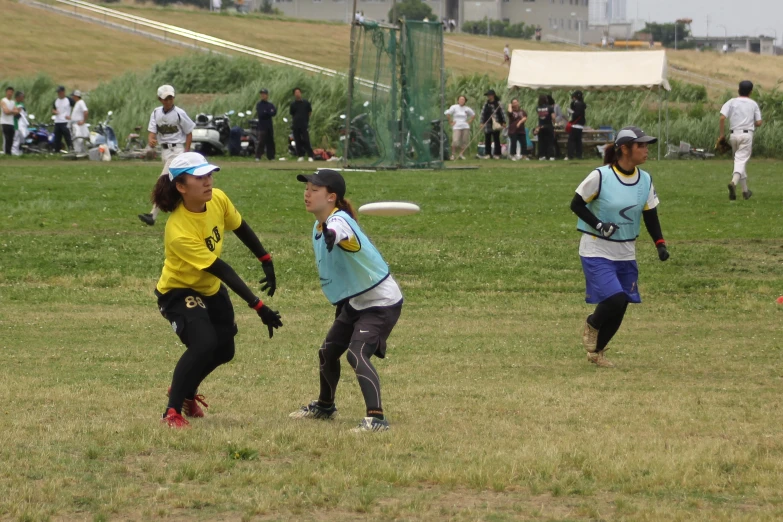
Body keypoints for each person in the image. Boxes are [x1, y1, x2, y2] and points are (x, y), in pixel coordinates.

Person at [151, 152, 283, 428]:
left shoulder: (218, 199)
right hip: (178, 291)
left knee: (225, 350)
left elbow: (240, 227)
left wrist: (265, 259)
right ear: (181, 187)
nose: (208, 182)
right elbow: (221, 269)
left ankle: (186, 393)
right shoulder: (178, 229)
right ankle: (172, 411)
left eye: (210, 175)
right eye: (200, 177)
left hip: (210, 289)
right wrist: (258, 306)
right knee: (204, 343)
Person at [290, 169, 403, 432]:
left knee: (356, 354)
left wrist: (333, 235)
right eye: (306, 188)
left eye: (314, 189)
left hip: (381, 301)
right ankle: (325, 406)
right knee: (328, 352)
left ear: (331, 197)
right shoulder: (318, 226)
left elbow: (340, 232)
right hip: (356, 301)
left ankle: (376, 419)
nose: (307, 193)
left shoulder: (339, 221)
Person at [570, 126, 669, 368]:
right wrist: (599, 224)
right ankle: (592, 324)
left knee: (622, 303)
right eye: (641, 145)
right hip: (596, 248)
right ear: (624, 149)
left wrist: (660, 243)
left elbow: (650, 214)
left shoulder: (645, 180)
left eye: (646, 145)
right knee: (614, 299)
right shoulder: (600, 176)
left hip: (626, 251)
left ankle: (597, 352)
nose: (646, 150)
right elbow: (576, 204)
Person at [138, 85, 195, 226]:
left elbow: (189, 132)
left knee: (163, 181)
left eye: (170, 97)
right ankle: (187, 212)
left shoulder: (179, 113)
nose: (168, 101)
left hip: (177, 151)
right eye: (165, 98)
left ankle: (152, 215)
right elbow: (152, 130)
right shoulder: (156, 113)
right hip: (165, 151)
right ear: (160, 99)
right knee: (177, 185)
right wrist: (151, 139)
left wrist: (186, 153)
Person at [719, 80, 762, 201]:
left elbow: (722, 118)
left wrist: (722, 135)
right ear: (751, 92)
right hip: (746, 135)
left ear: (738, 90)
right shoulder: (753, 104)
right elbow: (759, 122)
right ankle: (733, 182)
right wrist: (750, 122)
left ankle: (745, 191)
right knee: (741, 160)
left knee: (739, 161)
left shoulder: (731, 102)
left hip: (734, 134)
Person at [444, 95, 475, 160]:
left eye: (463, 100)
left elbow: (473, 115)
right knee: (455, 140)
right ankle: (453, 154)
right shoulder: (454, 107)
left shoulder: (467, 108)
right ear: (458, 100)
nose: (461, 101)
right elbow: (448, 113)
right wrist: (450, 122)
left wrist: (469, 122)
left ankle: (461, 154)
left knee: (464, 141)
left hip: (465, 126)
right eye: (460, 99)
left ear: (465, 101)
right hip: (456, 126)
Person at [289, 87, 314, 162]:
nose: (297, 94)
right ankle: (300, 155)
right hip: (296, 125)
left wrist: (305, 120)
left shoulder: (306, 103)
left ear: (301, 93)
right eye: (296, 93)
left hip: (304, 124)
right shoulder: (293, 104)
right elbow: (292, 114)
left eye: (298, 92)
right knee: (297, 140)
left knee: (306, 140)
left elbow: (309, 112)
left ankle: (310, 155)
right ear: (294, 94)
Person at [480, 89, 505, 159]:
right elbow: (482, 114)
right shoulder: (486, 104)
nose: (489, 97)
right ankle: (488, 153)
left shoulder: (498, 103)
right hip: (487, 123)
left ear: (493, 95)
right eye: (488, 95)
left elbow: (503, 113)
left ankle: (497, 153)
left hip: (496, 123)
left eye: (490, 95)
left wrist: (503, 122)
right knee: (487, 139)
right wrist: (482, 122)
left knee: (496, 139)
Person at [254, 88, 277, 162]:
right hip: (262, 126)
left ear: (267, 95)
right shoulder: (259, 104)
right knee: (261, 141)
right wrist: (268, 112)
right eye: (261, 94)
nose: (263, 95)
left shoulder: (270, 104)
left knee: (270, 142)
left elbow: (274, 112)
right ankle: (258, 156)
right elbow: (261, 114)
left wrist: (267, 112)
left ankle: (271, 156)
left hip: (269, 126)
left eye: (264, 94)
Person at [52, 86, 74, 153]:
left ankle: (71, 150)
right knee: (57, 138)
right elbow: (53, 109)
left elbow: (76, 108)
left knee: (68, 137)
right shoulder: (56, 101)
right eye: (58, 92)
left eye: (60, 92)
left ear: (63, 92)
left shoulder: (69, 100)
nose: (59, 93)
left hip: (65, 122)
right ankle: (57, 151)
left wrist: (72, 117)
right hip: (57, 122)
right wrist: (54, 112)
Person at [566, 90, 586, 161]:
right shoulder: (582, 104)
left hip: (575, 124)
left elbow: (576, 114)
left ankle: (570, 155)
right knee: (578, 141)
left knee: (571, 140)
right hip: (580, 125)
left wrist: (570, 111)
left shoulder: (577, 104)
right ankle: (579, 154)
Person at [535, 94, 555, 161]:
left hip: (541, 126)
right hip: (548, 125)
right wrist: (554, 122)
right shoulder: (550, 108)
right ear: (546, 100)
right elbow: (553, 117)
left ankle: (541, 155)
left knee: (541, 142)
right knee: (550, 141)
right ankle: (551, 156)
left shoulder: (537, 108)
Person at [1, 86, 18, 155]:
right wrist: (12, 111)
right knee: (6, 138)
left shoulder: (13, 102)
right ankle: (6, 153)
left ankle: (9, 153)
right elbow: (6, 111)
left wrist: (11, 111)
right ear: (6, 92)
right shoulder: (3, 101)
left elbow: (16, 111)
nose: (10, 93)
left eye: (11, 92)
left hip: (11, 123)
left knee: (11, 139)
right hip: (5, 122)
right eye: (9, 92)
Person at [12, 91, 28, 156]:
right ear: (18, 97)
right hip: (16, 124)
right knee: (16, 139)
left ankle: (20, 152)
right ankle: (14, 153)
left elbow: (24, 114)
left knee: (22, 139)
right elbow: (15, 114)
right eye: (22, 97)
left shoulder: (22, 104)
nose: (23, 98)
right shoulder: (14, 104)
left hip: (23, 125)